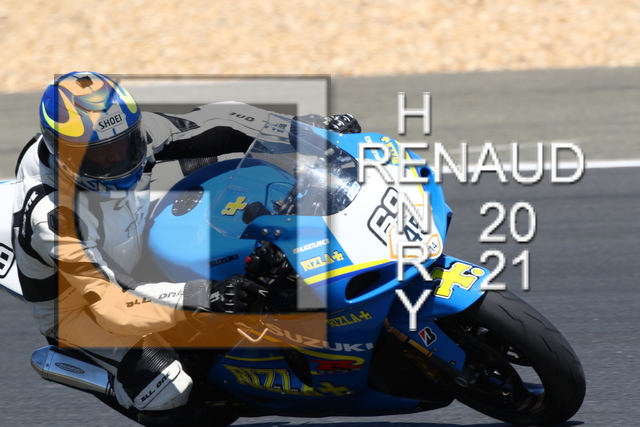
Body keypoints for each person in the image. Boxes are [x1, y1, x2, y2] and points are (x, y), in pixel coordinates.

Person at [12, 71, 361, 424]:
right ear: (64, 156)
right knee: (168, 389)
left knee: (237, 174)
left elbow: (220, 119)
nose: (118, 161)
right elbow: (113, 303)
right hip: (84, 305)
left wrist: (308, 130)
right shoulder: (53, 217)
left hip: (130, 222)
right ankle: (112, 380)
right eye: (100, 157)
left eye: (125, 146)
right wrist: (205, 294)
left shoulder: (125, 131)